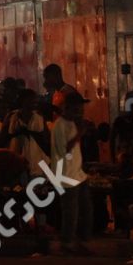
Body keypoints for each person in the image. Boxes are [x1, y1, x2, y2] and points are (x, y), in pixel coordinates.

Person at [50, 90, 92, 255]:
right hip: (66, 176)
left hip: (77, 174)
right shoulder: (59, 126)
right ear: (67, 108)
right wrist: (79, 134)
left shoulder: (73, 123)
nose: (80, 111)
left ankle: (81, 241)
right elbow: (65, 152)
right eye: (77, 108)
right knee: (71, 212)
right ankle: (67, 243)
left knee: (86, 209)